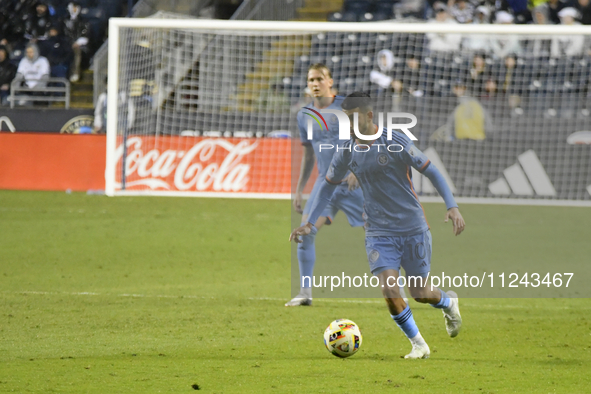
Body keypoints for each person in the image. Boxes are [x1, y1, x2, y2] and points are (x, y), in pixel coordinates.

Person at [289, 92, 465, 359]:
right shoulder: (346, 149)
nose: (347, 124)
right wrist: (309, 222)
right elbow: (327, 184)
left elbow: (431, 171)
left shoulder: (395, 140)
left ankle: (448, 302)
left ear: (369, 116)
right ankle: (419, 344)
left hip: (413, 228)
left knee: (420, 292)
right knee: (389, 287)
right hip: (379, 232)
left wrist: (452, 206)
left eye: (352, 118)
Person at [287, 64, 365, 307]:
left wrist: (358, 169)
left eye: (320, 78)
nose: (315, 83)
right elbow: (309, 154)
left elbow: (368, 138)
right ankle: (305, 293)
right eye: (311, 79)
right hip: (326, 187)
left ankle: (415, 286)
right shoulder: (304, 115)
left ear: (330, 81)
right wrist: (299, 189)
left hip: (355, 186)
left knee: (383, 236)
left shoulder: (347, 107)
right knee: (305, 232)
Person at [63, 1, 90, 82]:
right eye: (73, 6)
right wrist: (69, 42)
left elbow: (86, 35)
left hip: (79, 45)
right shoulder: (64, 20)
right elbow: (63, 34)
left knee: (77, 51)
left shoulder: (84, 21)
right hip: (65, 43)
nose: (74, 9)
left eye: (76, 7)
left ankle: (75, 73)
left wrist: (78, 42)